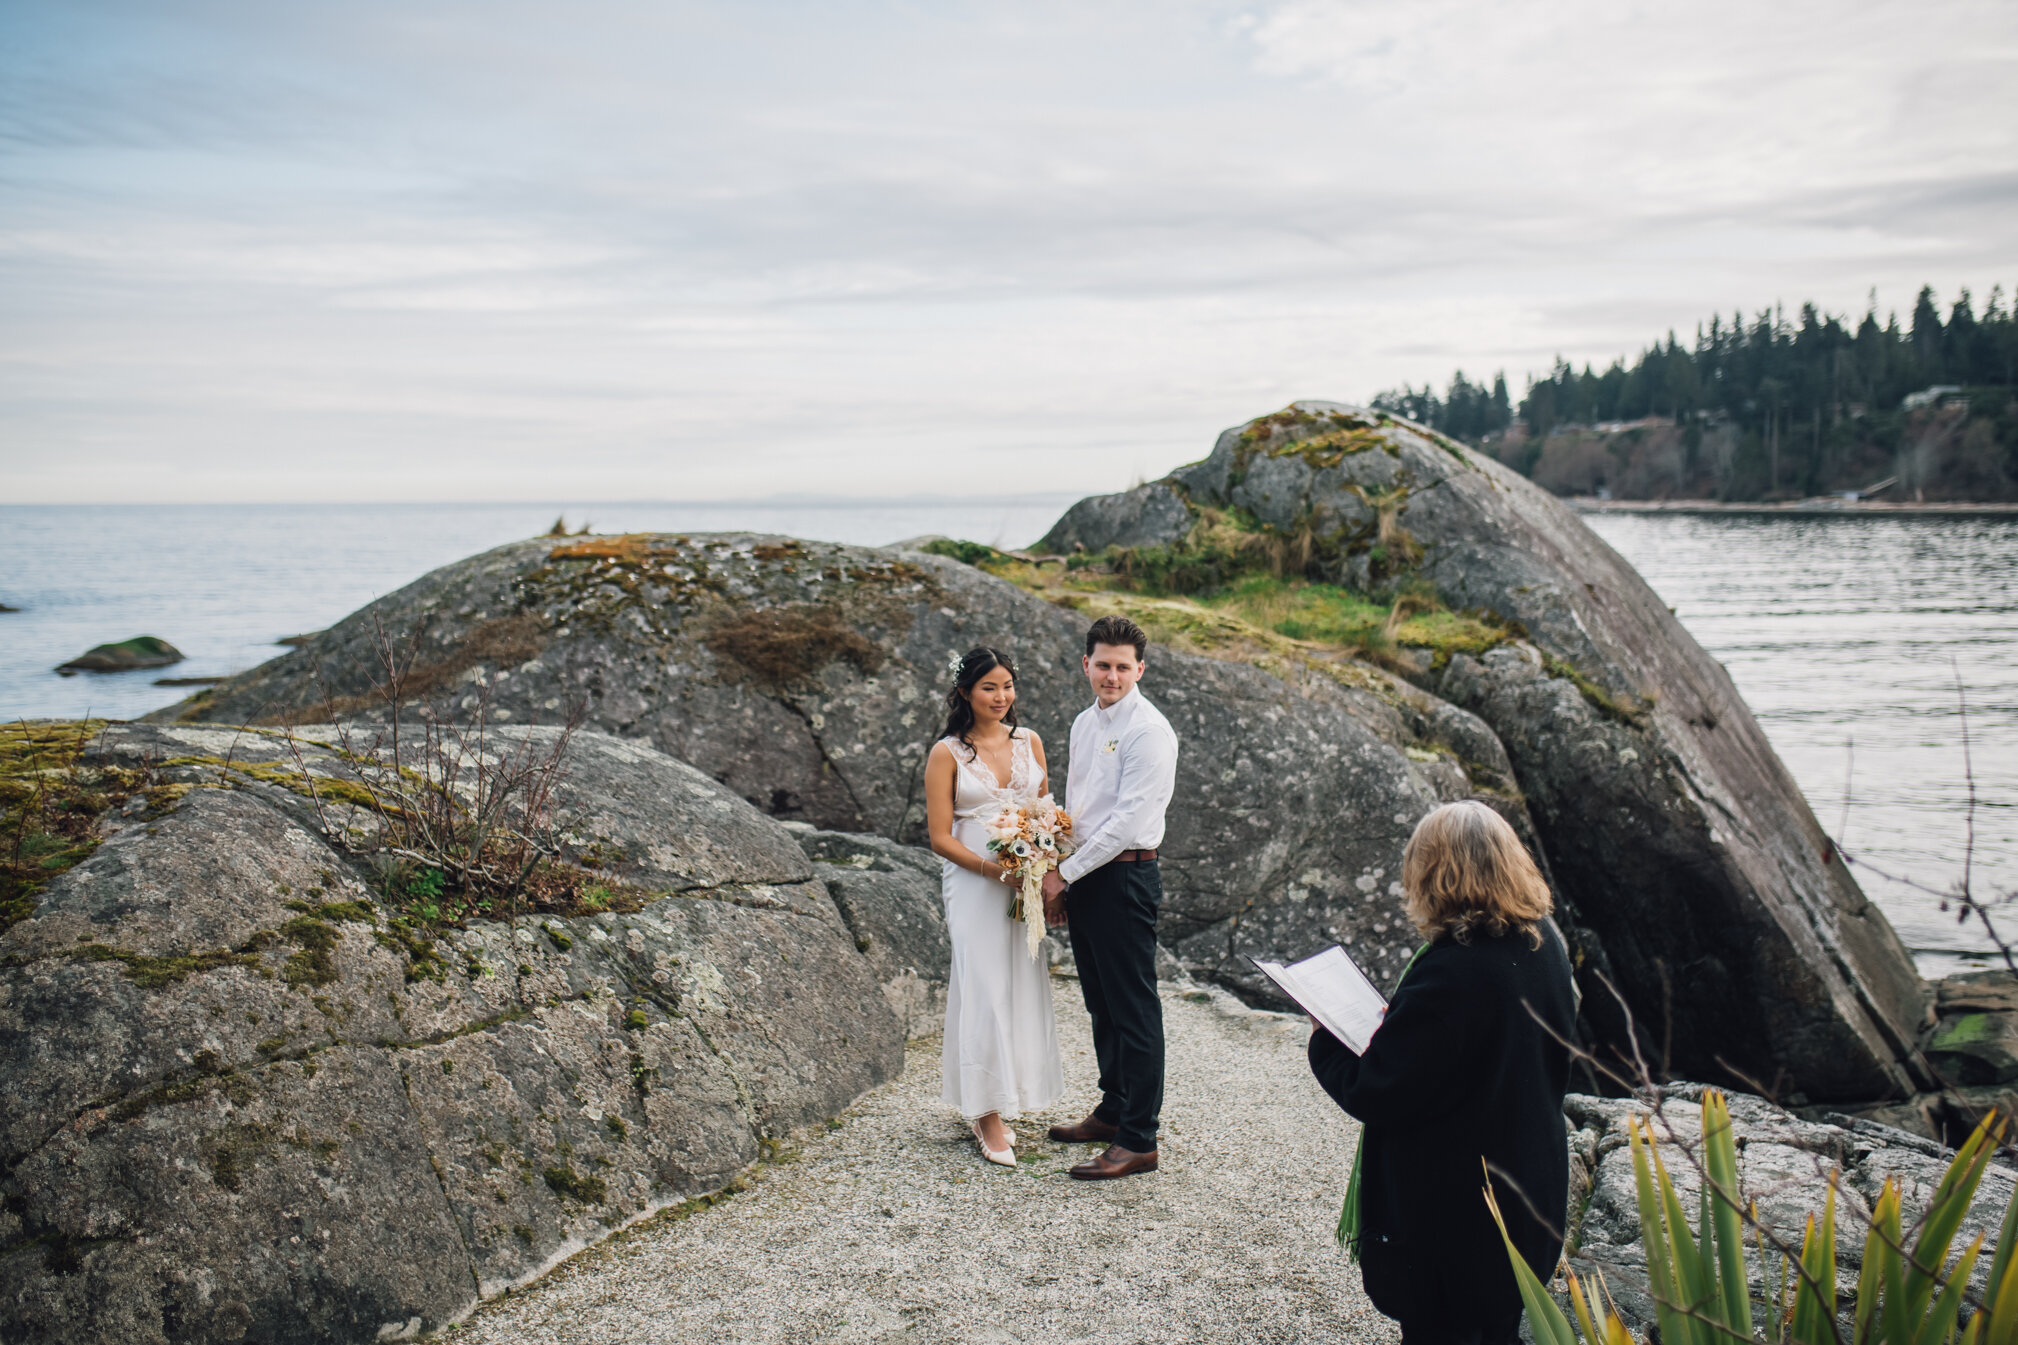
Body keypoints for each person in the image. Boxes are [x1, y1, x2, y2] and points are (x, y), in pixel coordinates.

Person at [1307, 799, 1576, 1344]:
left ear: (1435, 873)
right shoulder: (1543, 939)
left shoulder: (1456, 971)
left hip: (1457, 1214)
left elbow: (1377, 1089)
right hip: (1528, 1186)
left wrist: (1324, 1040)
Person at [1041, 615, 1179, 1181]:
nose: (1112, 676)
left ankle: (1139, 1139)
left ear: (1140, 669)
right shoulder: (1083, 723)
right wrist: (1056, 865)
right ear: (1086, 665)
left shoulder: (1149, 731)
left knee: (1134, 1010)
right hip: (1087, 875)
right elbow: (1081, 806)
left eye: (1124, 667)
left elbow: (1125, 824)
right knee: (1101, 1003)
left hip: (1125, 878)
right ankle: (1113, 1109)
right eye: (1103, 665)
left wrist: (1063, 874)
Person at [924, 646, 1065, 1166]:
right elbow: (940, 836)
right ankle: (984, 1113)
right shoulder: (947, 754)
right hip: (976, 880)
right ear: (965, 693)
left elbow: (1047, 811)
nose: (1001, 696)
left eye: (1007, 686)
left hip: (1024, 880)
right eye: (989, 687)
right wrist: (994, 871)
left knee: (1019, 983)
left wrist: (1046, 869)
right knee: (983, 985)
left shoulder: (1030, 741)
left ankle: (1013, 1092)